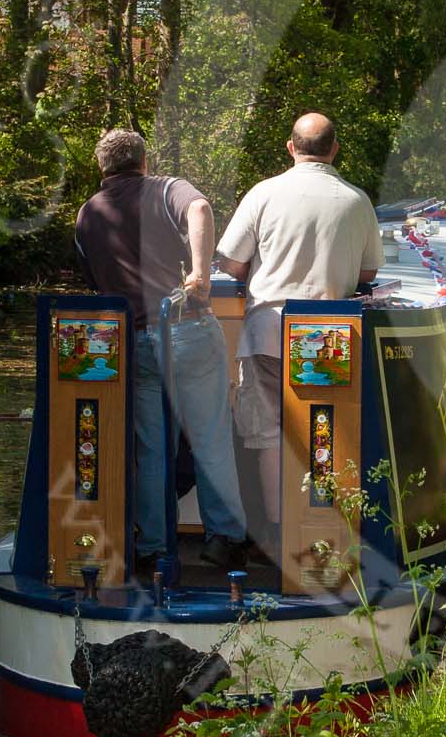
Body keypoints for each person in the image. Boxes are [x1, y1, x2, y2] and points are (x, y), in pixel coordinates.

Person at [74, 130, 248, 572]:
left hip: (132, 340)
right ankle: (224, 539)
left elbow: (96, 284)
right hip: (185, 329)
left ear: (102, 169)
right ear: (144, 161)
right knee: (209, 438)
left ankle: (154, 546)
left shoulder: (86, 215)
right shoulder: (166, 189)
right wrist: (200, 278)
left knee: (153, 449)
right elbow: (201, 208)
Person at [214, 112, 382, 482]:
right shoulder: (357, 201)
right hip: (329, 337)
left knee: (270, 436)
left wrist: (254, 270)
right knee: (324, 428)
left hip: (268, 333)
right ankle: (319, 524)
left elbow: (228, 260)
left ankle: (277, 530)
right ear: (335, 150)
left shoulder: (263, 193)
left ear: (291, 148)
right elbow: (368, 273)